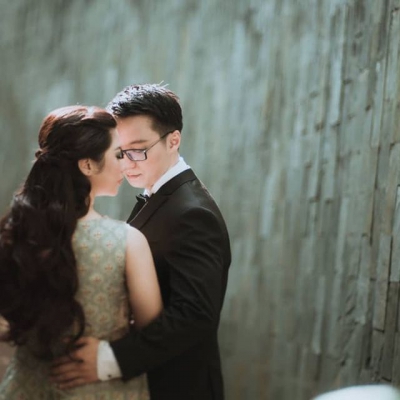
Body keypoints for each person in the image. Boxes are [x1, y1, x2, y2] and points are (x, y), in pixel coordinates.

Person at [50, 84, 232, 400]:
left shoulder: (193, 213)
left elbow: (195, 315)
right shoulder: (159, 196)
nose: (127, 163)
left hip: (180, 387)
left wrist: (108, 359)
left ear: (173, 140)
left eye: (138, 150)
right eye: (120, 152)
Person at [0, 105, 162, 399]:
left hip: (25, 387)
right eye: (118, 155)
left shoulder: (18, 231)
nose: (125, 165)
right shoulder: (127, 241)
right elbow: (154, 333)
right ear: (87, 165)